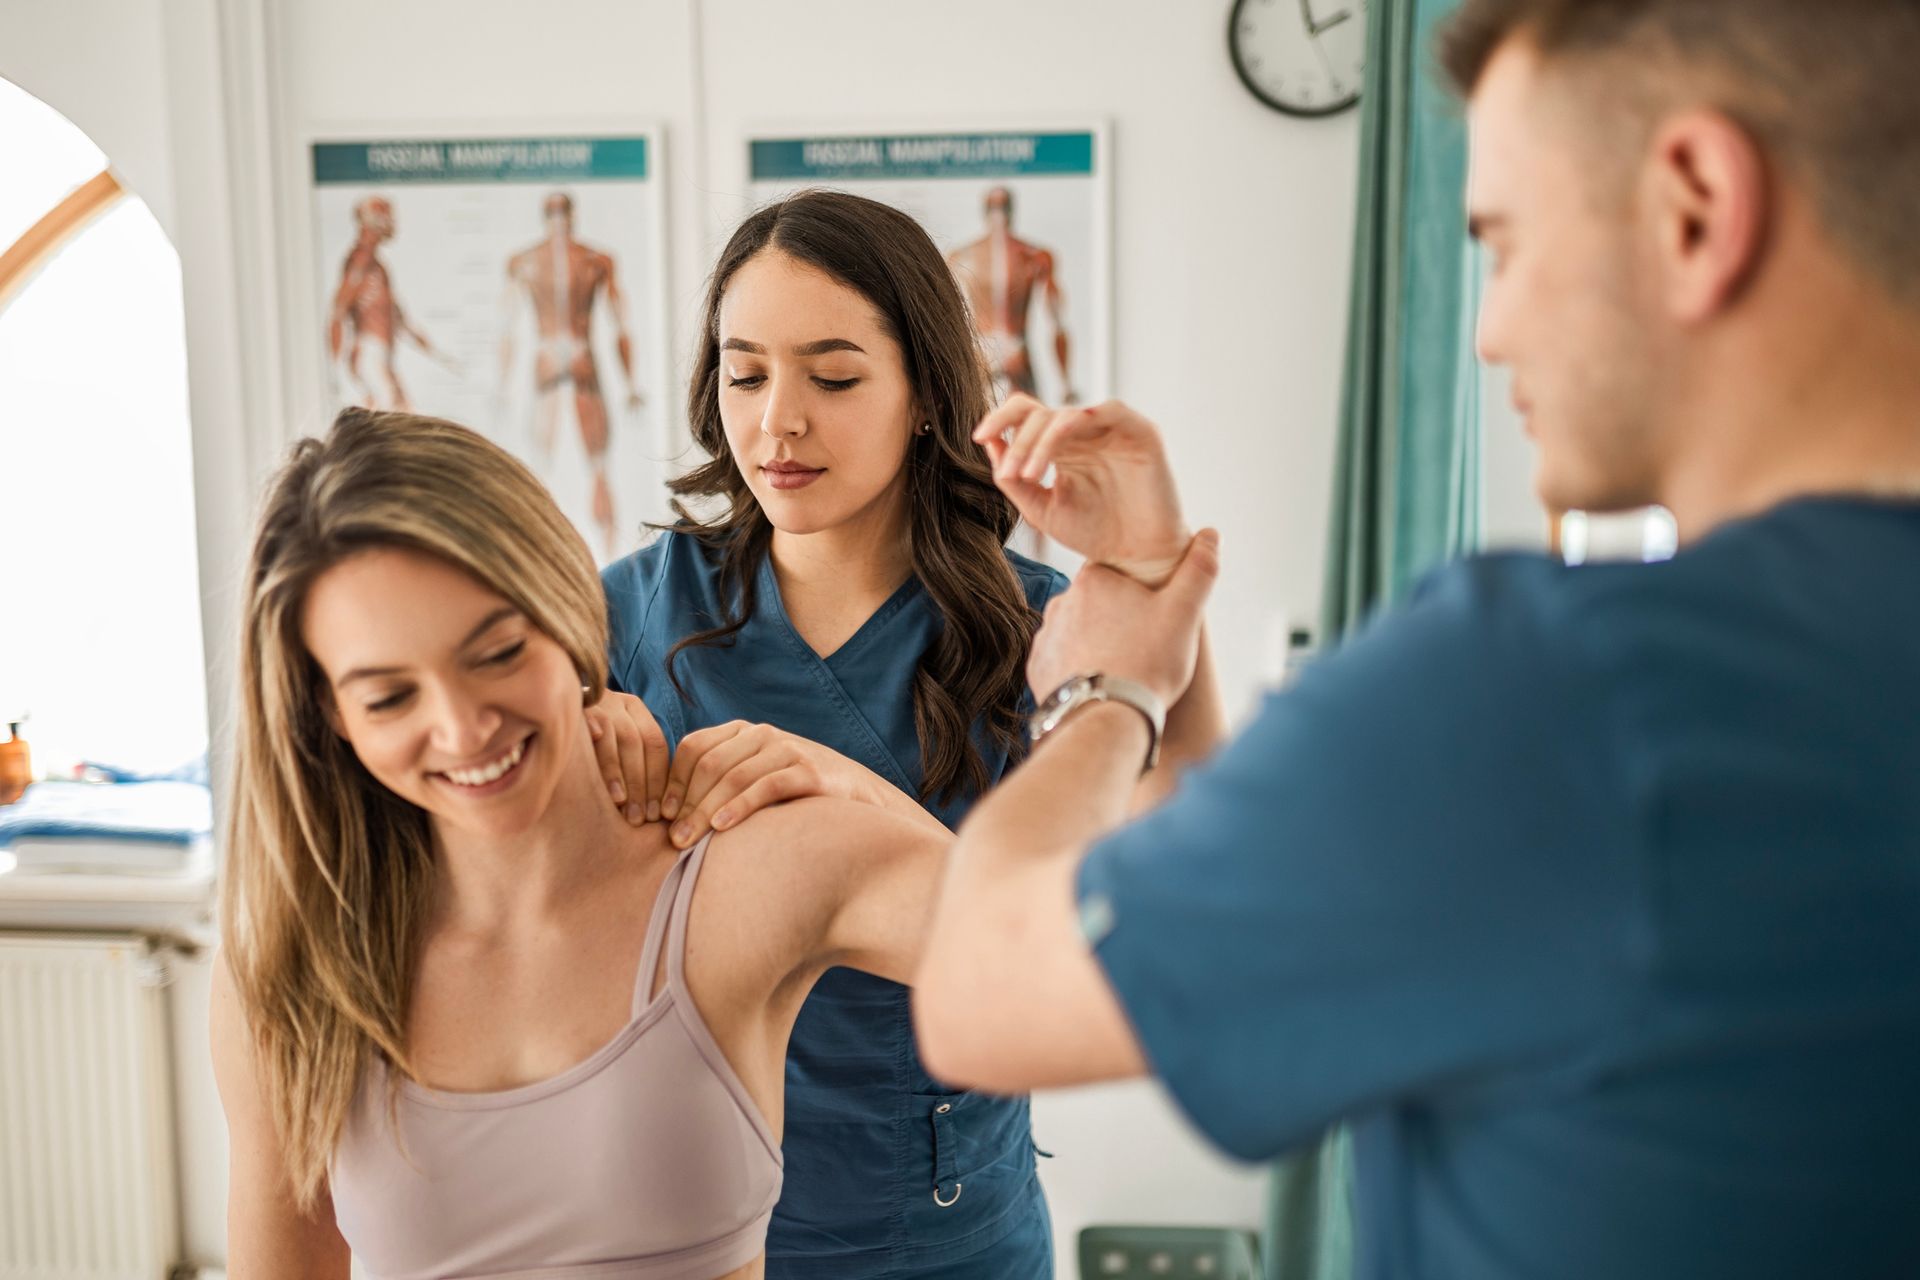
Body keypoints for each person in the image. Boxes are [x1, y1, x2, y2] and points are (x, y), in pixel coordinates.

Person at [912, 2, 1920, 1277]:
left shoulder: (1555, 691)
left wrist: (1105, 690)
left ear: (1696, 207)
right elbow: (1299, 883)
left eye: (1506, 242)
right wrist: (1156, 592)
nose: (1491, 329)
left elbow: (983, 989)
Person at [591, 189, 1225, 1278]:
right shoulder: (630, 614)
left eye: (832, 376)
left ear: (927, 394)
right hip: (697, 1221)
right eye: (745, 373)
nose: (777, 421)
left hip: (955, 1226)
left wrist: (1150, 574)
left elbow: (1190, 863)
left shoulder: (1037, 619)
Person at [209, 408, 949, 1280]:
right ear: (329, 716)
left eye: (495, 654)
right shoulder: (292, 963)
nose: (462, 729)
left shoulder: (742, 871)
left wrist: (854, 783)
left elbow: (1082, 954)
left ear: (567, 615)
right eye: (388, 698)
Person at [500, 191, 646, 558]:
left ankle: (603, 557)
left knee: (570, 465)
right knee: (578, 464)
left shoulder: (527, 261)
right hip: (577, 354)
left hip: (551, 356)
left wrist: (501, 388)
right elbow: (620, 326)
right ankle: (603, 558)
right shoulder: (593, 259)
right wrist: (630, 385)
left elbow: (509, 330)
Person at [945, 186, 1076, 404]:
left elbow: (1057, 322)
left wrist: (1065, 382)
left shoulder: (962, 256)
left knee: (1003, 425)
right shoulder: (1032, 255)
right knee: (1000, 424)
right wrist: (1065, 383)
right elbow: (1057, 322)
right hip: (1002, 351)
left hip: (992, 351)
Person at [327, 196, 450, 411]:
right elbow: (338, 312)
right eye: (385, 215)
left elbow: (400, 319)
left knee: (403, 414)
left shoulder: (377, 267)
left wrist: (436, 354)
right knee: (396, 420)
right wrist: (335, 371)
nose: (392, 222)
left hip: (379, 357)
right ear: (370, 220)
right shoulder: (360, 262)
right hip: (369, 354)